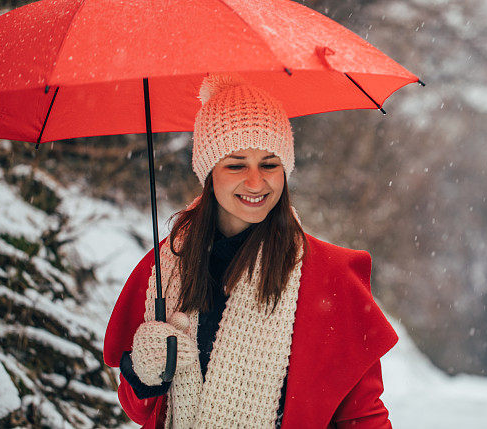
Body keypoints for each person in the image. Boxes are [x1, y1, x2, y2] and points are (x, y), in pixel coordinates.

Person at [103, 76, 398, 428]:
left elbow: (362, 416)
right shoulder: (163, 271)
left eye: (270, 164)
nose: (256, 182)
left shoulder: (330, 276)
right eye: (236, 164)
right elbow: (138, 410)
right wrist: (144, 373)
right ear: (209, 173)